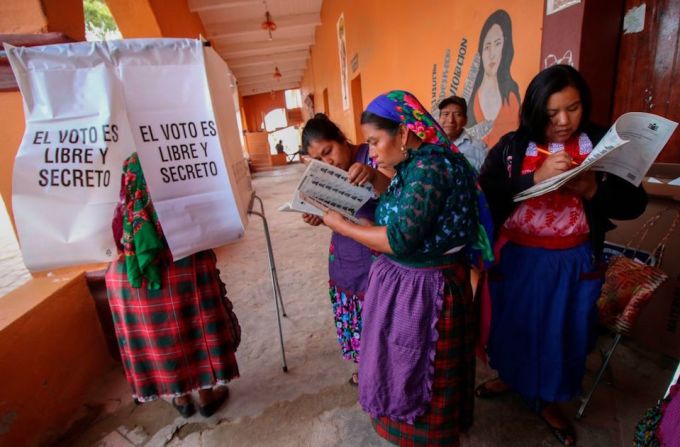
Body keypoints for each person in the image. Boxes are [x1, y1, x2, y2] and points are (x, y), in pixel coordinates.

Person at [477, 65, 647, 445]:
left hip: (573, 263)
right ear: (536, 110)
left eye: (573, 108)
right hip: (518, 259)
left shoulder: (602, 142)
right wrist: (532, 180)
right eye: (552, 113)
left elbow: (634, 204)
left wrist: (591, 190)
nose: (564, 121)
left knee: (563, 334)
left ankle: (548, 400)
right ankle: (511, 376)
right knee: (513, 326)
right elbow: (485, 194)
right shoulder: (511, 146)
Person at [321, 91, 486, 446]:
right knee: (400, 365)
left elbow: (399, 238)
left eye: (376, 141)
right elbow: (400, 196)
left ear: (405, 133)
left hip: (430, 291)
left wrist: (342, 226)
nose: (373, 151)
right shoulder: (416, 162)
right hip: (412, 286)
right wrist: (372, 179)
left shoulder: (432, 166)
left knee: (419, 373)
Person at [105, 153, 241, 418]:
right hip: (183, 256)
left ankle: (181, 398)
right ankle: (205, 395)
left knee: (158, 338)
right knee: (195, 329)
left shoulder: (114, 173)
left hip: (127, 271)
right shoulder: (169, 156)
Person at [300, 113, 391, 385]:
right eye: (317, 160)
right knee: (354, 314)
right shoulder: (326, 174)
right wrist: (316, 215)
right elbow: (330, 209)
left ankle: (385, 370)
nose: (327, 162)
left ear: (342, 139)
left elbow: (396, 190)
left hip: (378, 255)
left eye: (328, 151)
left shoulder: (373, 156)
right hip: (345, 256)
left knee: (381, 313)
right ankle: (365, 366)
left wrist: (374, 176)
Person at [467, 9, 521, 147]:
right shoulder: (471, 101)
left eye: (498, 44)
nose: (492, 54)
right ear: (481, 51)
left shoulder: (511, 97)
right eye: (487, 47)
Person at [438, 95, 488, 171]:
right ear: (439, 119)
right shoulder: (430, 146)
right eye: (446, 114)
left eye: (457, 115)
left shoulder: (479, 148)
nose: (451, 120)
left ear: (465, 120)